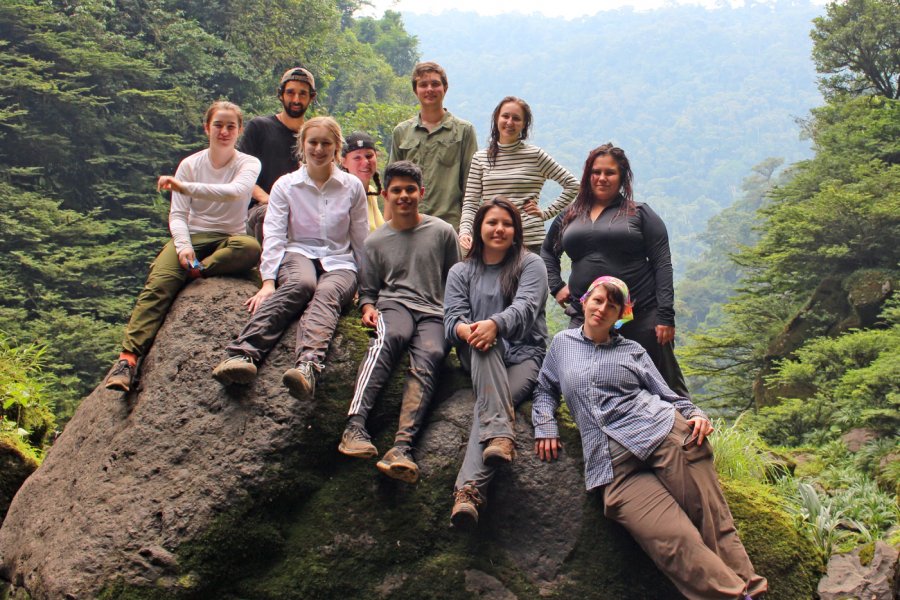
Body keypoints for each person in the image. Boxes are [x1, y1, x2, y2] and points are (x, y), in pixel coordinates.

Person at [532, 276, 767, 600]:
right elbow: (544, 389)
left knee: (711, 521)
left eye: (611, 306)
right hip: (612, 466)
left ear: (620, 316)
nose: (602, 309)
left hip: (664, 435)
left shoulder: (632, 350)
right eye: (597, 300)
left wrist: (696, 414)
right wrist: (545, 426)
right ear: (585, 302)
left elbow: (668, 395)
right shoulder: (562, 345)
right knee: (673, 542)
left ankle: (753, 592)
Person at [105, 101, 262, 392]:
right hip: (193, 234)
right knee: (158, 285)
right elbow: (178, 214)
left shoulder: (248, 163)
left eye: (231, 126)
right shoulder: (191, 164)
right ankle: (127, 360)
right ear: (207, 128)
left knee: (250, 248)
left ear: (239, 131)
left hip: (229, 236)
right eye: (218, 125)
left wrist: (183, 186)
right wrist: (183, 247)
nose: (224, 131)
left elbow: (234, 193)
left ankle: (198, 272)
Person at [212, 117, 368, 400]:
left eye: (326, 143)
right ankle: (243, 354)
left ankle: (308, 366)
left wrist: (366, 287)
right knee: (301, 285)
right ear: (302, 145)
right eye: (313, 142)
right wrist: (268, 281)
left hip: (340, 260)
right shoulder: (287, 185)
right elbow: (274, 235)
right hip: (298, 252)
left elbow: (360, 239)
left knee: (328, 292)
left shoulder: (351, 186)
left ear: (336, 148)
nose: (319, 149)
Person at [337, 161, 459, 483]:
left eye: (410, 190)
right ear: (386, 195)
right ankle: (354, 426)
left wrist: (456, 316)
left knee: (432, 353)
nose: (403, 196)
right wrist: (366, 306)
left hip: (435, 310)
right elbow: (369, 288)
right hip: (395, 305)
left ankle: (402, 448)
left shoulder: (443, 232)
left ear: (421, 192)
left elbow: (455, 279)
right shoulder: (376, 242)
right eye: (396, 191)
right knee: (389, 338)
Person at [541, 143, 689, 397]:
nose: (601, 178)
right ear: (587, 175)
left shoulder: (639, 213)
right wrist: (556, 286)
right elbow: (548, 252)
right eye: (596, 172)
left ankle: (690, 428)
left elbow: (662, 262)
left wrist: (665, 315)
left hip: (641, 314)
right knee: (575, 375)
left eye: (609, 173)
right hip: (587, 314)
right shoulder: (570, 215)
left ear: (622, 177)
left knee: (662, 381)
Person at [444, 197, 549, 527]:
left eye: (506, 223)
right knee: (483, 345)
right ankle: (501, 435)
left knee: (488, 404)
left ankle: (467, 493)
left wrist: (494, 325)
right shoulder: (461, 271)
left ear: (516, 230)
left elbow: (526, 309)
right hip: (478, 352)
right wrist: (469, 329)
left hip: (524, 355)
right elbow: (450, 321)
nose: (499, 229)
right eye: (492, 223)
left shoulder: (530, 265)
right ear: (479, 228)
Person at [459, 96, 578, 254]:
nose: (509, 122)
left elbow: (573, 185)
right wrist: (465, 231)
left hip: (530, 242)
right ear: (496, 118)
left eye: (516, 118)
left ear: (524, 125)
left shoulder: (535, 155)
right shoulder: (481, 158)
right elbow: (471, 203)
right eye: (505, 116)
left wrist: (545, 213)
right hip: (493, 242)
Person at [389, 61, 477, 229]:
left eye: (435, 84)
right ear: (416, 90)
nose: (429, 89)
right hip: (409, 224)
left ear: (445, 88)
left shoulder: (464, 131)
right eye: (423, 84)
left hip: (450, 226)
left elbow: (471, 185)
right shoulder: (401, 132)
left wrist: (468, 229)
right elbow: (392, 182)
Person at [240, 67, 316, 243]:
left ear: (311, 97)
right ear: (281, 94)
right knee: (271, 214)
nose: (296, 99)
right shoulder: (259, 127)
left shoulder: (314, 139)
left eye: (302, 94)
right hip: (261, 209)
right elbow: (242, 175)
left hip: (302, 210)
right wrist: (270, 200)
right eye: (290, 92)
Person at [341, 131, 391, 230]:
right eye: (357, 158)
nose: (365, 162)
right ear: (344, 162)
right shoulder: (341, 196)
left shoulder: (371, 191)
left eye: (369, 156)